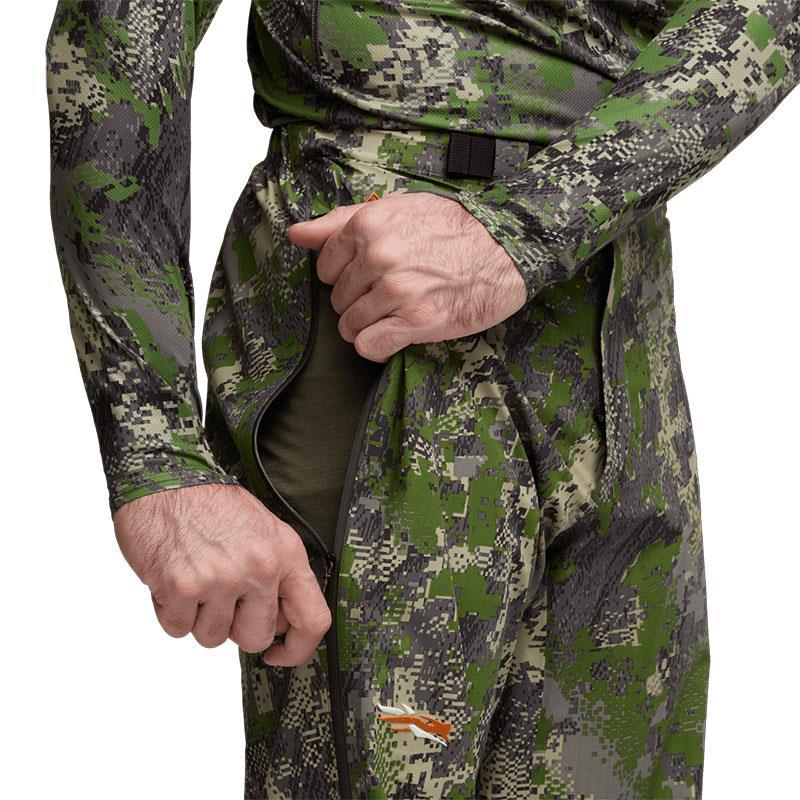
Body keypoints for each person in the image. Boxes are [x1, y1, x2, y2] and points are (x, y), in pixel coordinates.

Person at [46, 1, 798, 797]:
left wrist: (530, 227)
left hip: (617, 299)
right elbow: (113, 46)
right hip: (371, 296)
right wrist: (155, 454)